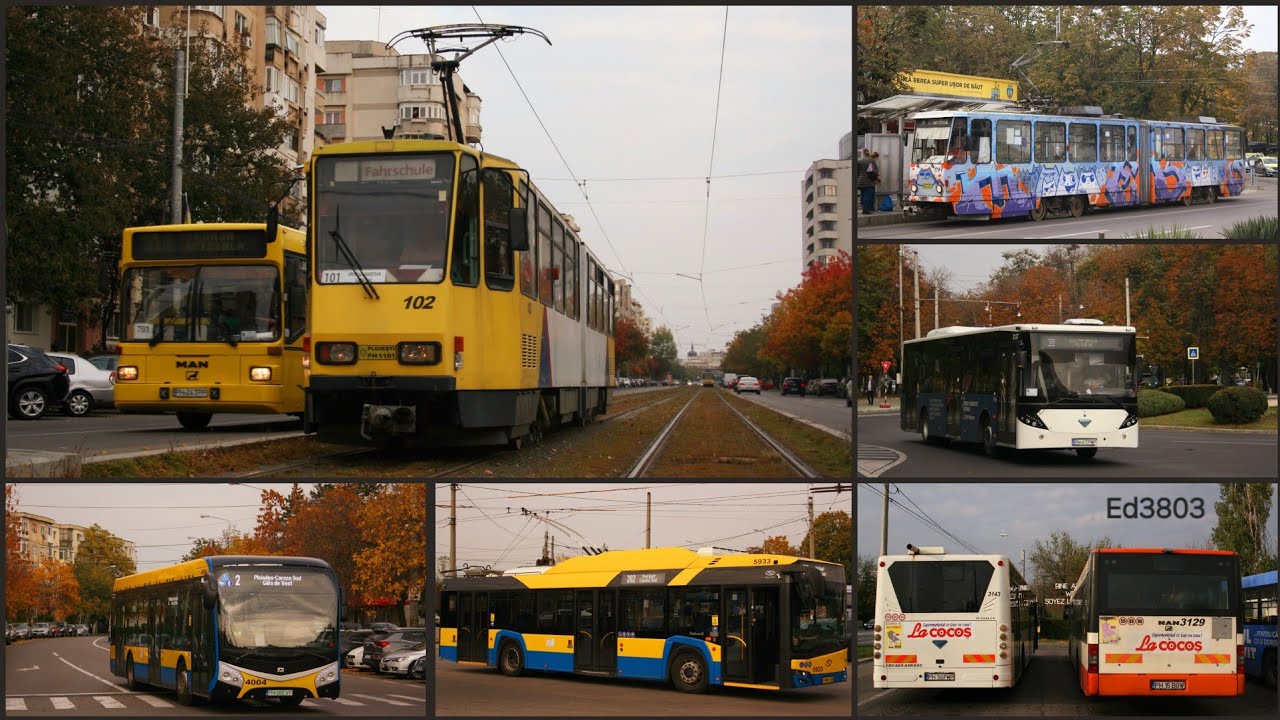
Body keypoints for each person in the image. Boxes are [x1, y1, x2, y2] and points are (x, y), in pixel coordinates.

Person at [857, 149, 876, 215]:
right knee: (867, 196)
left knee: (863, 194)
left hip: (860, 181)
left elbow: (856, 171)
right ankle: (865, 210)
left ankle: (863, 208)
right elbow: (875, 170)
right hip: (869, 181)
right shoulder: (871, 160)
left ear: (863, 153)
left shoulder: (859, 160)